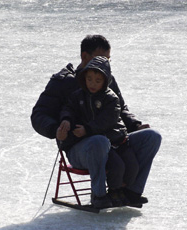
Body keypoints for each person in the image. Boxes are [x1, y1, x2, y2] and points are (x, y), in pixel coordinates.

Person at [31, 34, 161, 208]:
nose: (106, 64)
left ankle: (131, 192)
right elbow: (39, 114)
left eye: (108, 59)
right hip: (79, 147)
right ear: (85, 57)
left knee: (152, 136)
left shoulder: (107, 79)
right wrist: (56, 129)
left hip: (111, 141)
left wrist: (135, 124)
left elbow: (120, 109)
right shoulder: (63, 82)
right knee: (99, 141)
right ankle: (99, 197)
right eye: (101, 59)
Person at [58, 57, 139, 209]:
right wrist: (67, 120)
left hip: (114, 140)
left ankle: (121, 190)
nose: (92, 84)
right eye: (89, 79)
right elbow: (68, 108)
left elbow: (107, 120)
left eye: (97, 80)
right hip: (95, 144)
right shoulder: (78, 96)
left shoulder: (111, 98)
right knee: (117, 165)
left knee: (131, 165)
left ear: (105, 81)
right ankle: (109, 193)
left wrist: (87, 129)